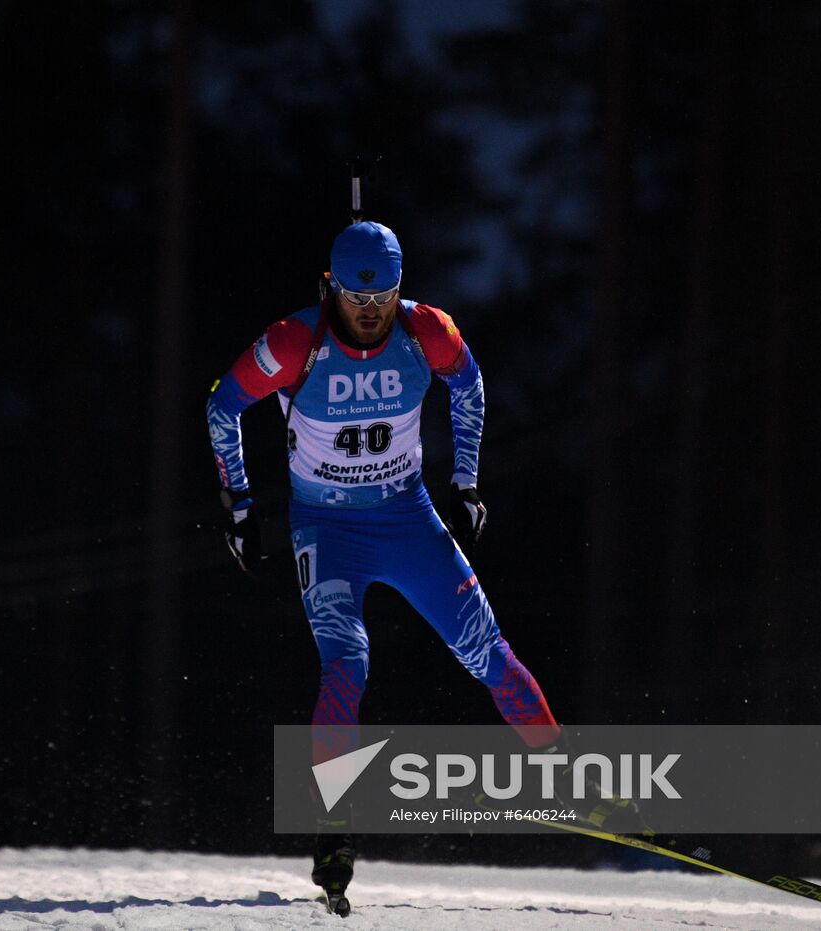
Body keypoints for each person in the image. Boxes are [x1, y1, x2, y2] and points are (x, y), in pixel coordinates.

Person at [205, 220, 638, 911]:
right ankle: (334, 832)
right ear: (330, 286)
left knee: (488, 652)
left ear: (402, 286)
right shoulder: (294, 342)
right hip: (327, 527)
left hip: (407, 519)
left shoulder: (428, 330)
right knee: (348, 665)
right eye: (353, 297)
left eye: (382, 297)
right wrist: (241, 508)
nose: (369, 310)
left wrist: (465, 483)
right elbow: (222, 405)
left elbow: (468, 386)